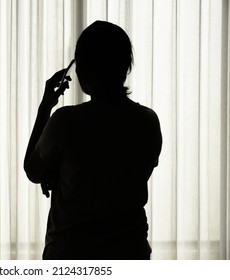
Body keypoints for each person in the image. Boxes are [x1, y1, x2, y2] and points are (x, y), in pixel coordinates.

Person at [24, 21, 162, 260]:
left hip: (71, 255)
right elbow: (119, 177)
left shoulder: (65, 122)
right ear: (125, 67)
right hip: (130, 253)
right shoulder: (147, 121)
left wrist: (45, 107)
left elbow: (33, 170)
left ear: (82, 72)